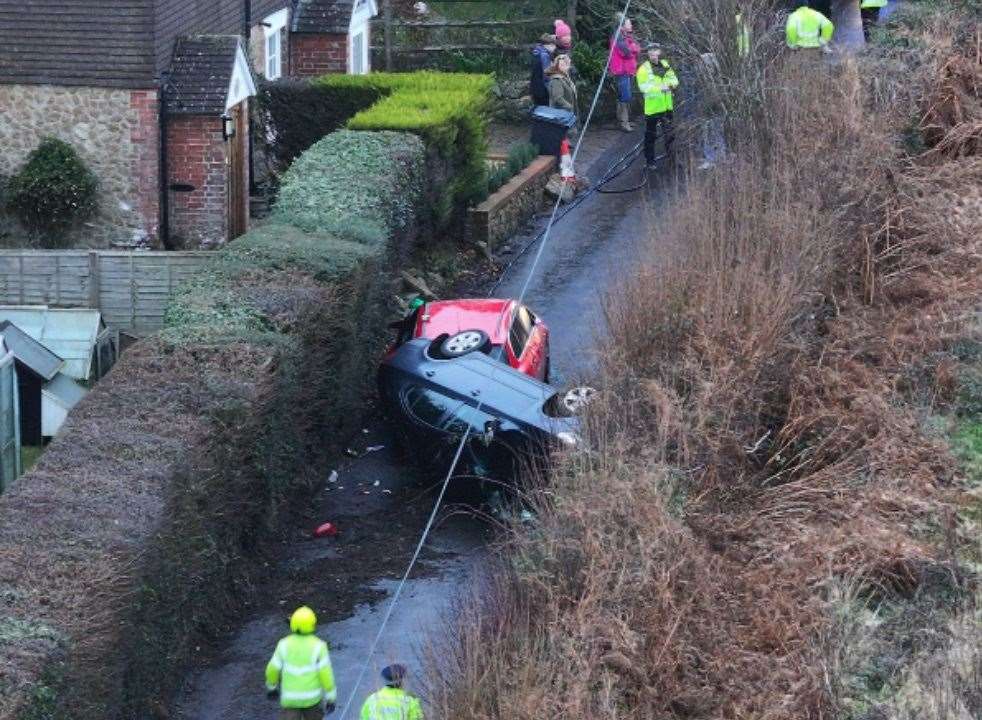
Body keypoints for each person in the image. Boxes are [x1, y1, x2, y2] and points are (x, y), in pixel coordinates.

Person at [266, 606, 337, 720]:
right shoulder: (319, 646)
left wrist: (272, 687)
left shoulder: (283, 644)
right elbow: (326, 674)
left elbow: (272, 669)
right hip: (312, 699)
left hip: (290, 700)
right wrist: (331, 698)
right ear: (313, 624)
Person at [636, 43, 679, 169]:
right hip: (653, 108)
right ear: (648, 53)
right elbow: (643, 87)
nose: (652, 52)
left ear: (659, 51)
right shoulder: (644, 69)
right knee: (650, 136)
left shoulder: (665, 64)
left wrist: (670, 86)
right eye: (650, 50)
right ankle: (650, 161)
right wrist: (661, 88)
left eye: (655, 50)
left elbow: (675, 80)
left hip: (666, 107)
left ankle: (672, 159)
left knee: (670, 134)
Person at [609, 13, 641, 132]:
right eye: (629, 23)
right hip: (622, 71)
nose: (631, 24)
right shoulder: (618, 37)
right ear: (622, 25)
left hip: (626, 70)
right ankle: (623, 122)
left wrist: (633, 48)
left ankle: (623, 120)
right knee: (625, 96)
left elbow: (637, 48)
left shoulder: (625, 36)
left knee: (623, 95)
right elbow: (626, 52)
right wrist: (633, 48)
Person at [530, 34, 557, 107]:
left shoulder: (536, 51)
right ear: (550, 45)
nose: (555, 48)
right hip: (542, 89)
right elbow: (546, 74)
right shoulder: (544, 55)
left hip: (535, 85)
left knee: (538, 108)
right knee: (545, 110)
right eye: (554, 46)